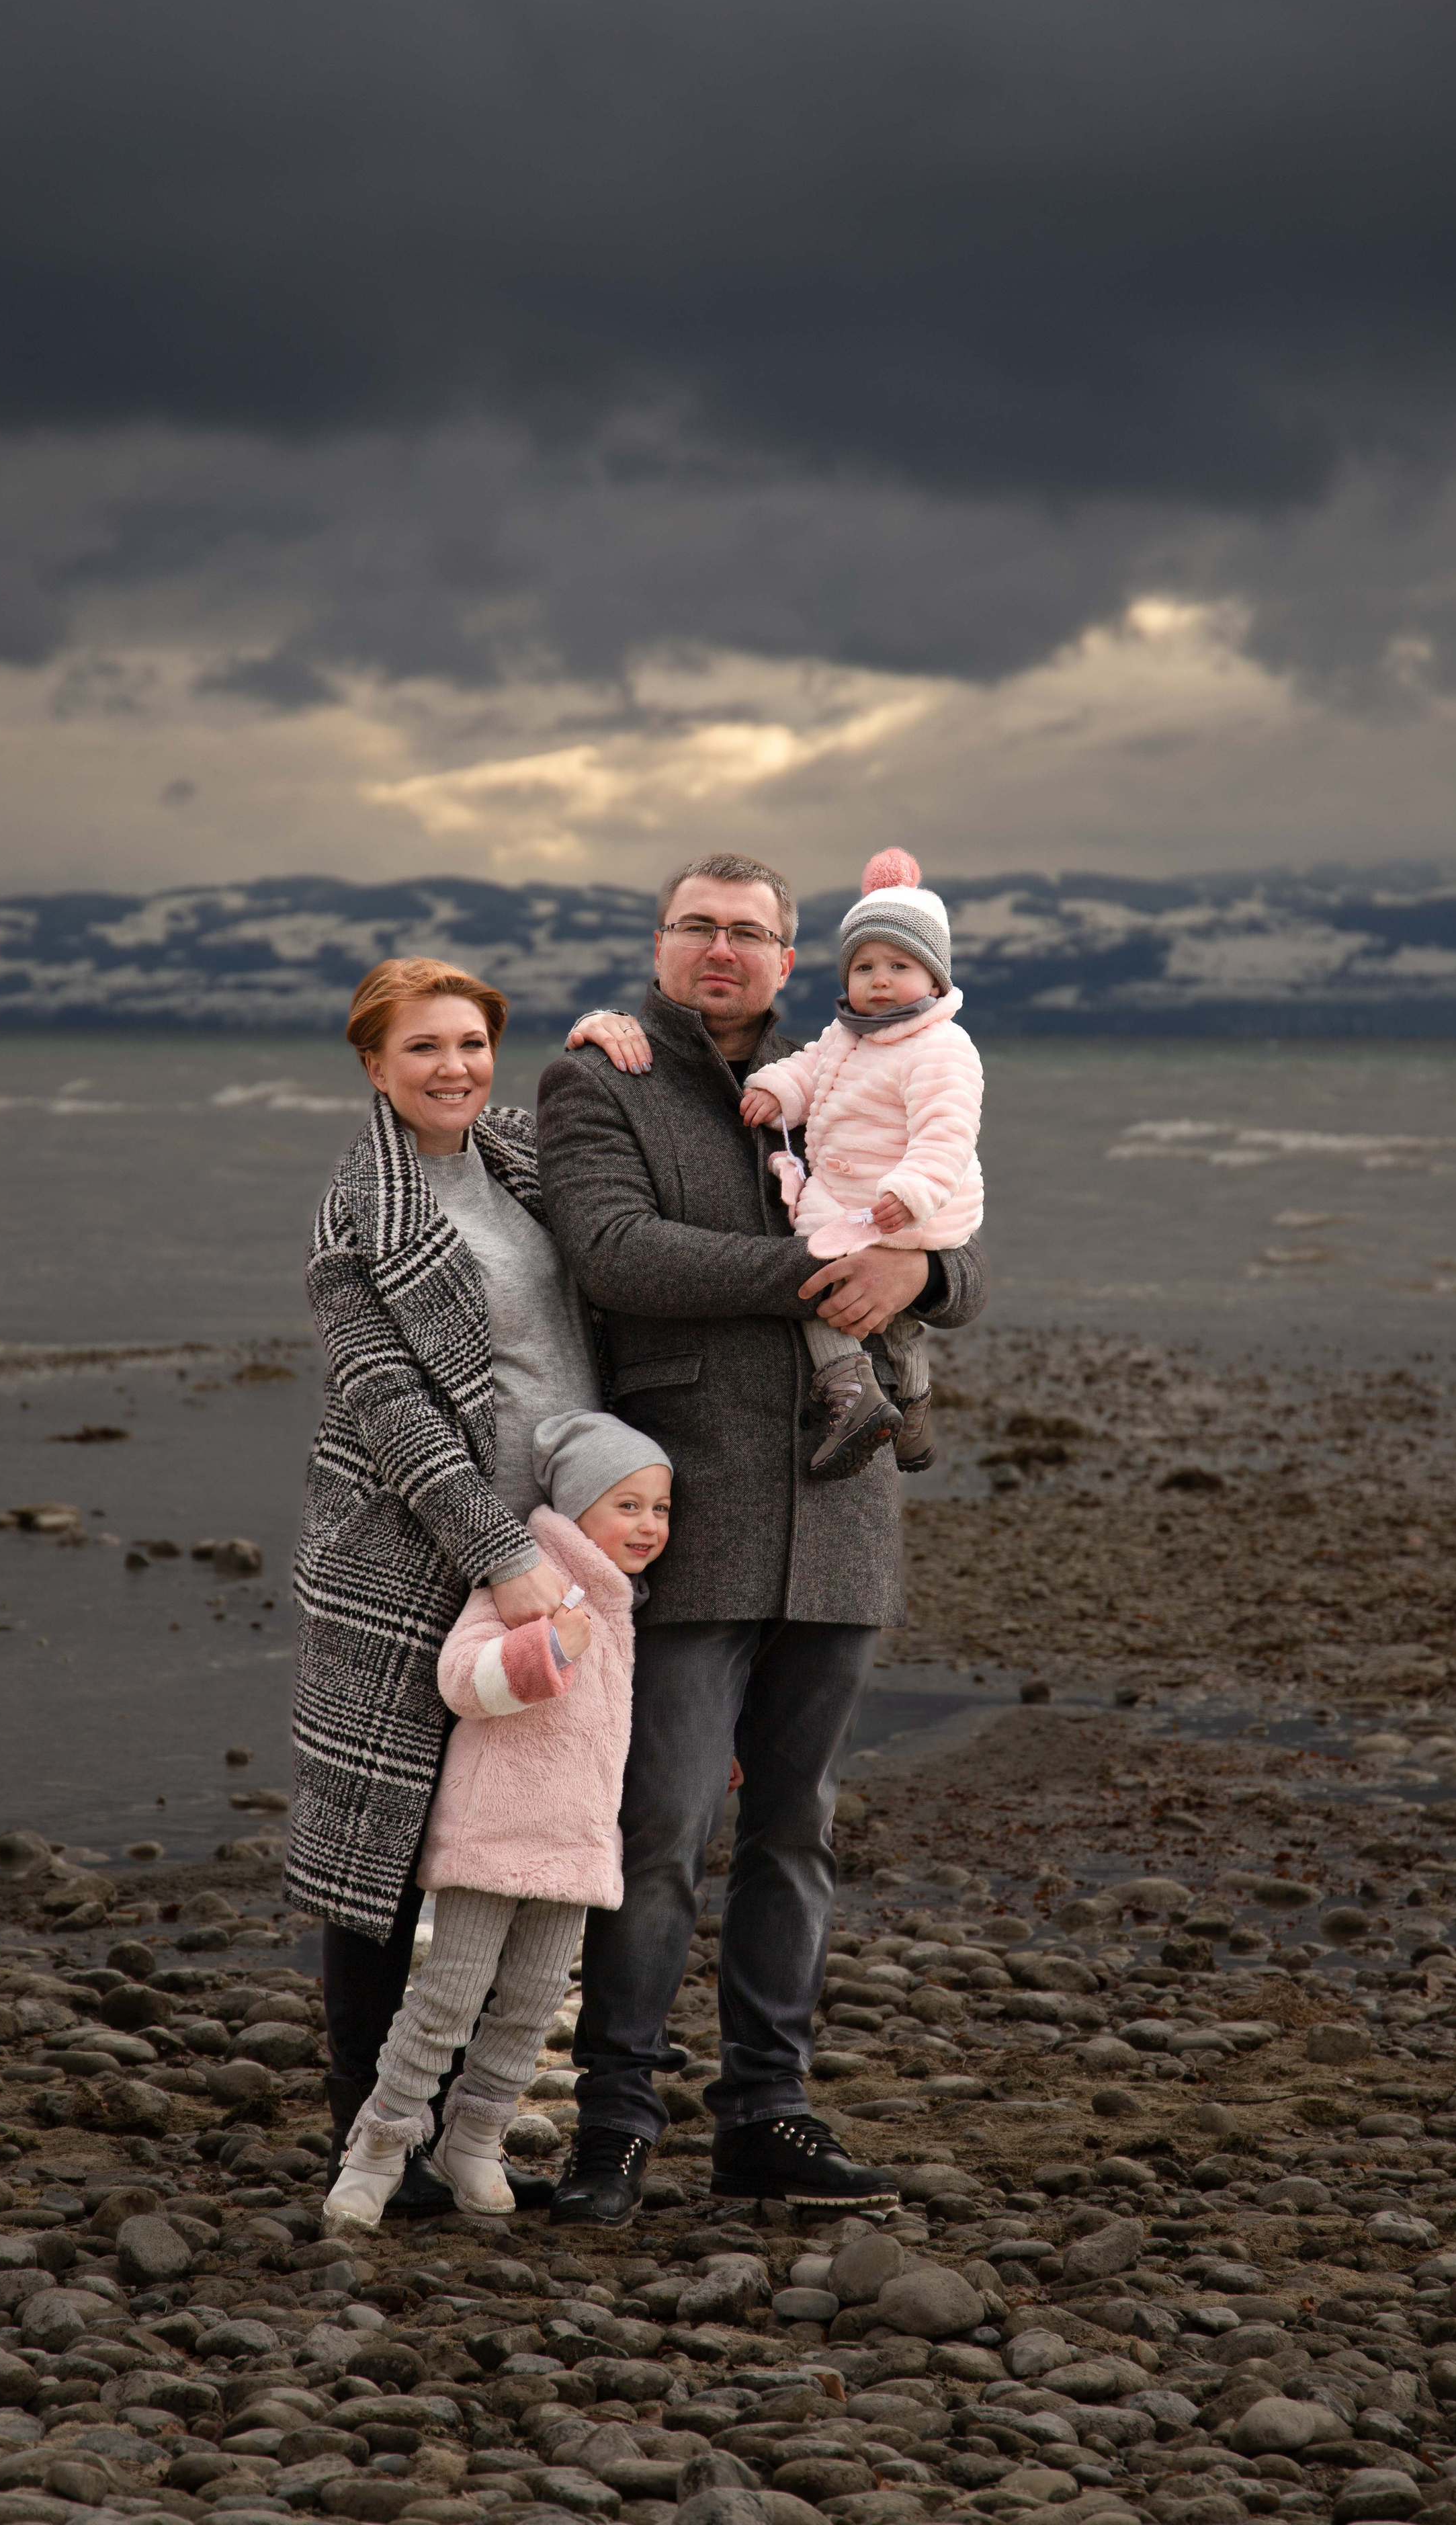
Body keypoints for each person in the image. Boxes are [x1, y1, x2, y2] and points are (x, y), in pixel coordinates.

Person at [538, 850, 986, 2223]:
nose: (721, 950)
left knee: (794, 1832)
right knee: (660, 1825)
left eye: (749, 932)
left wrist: (922, 1266)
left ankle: (763, 2114)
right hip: (676, 1512)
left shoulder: (861, 1054)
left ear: (789, 958)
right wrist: (824, 1269)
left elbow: (952, 1211)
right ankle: (610, 2124)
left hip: (842, 1512)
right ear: (659, 944)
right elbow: (615, 1252)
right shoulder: (595, 1079)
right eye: (696, 928)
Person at [284, 956, 642, 2215]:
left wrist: (605, 1041)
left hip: (556, 1538)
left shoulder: (519, 1157)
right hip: (406, 1554)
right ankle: (372, 2135)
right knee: (375, 1847)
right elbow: (390, 1410)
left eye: (473, 1045)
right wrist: (505, 1558)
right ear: (375, 1067)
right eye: (424, 1049)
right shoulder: (357, 1216)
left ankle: (469, 2126)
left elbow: (620, 1165)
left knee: (520, 1828)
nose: (454, 1068)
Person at [322, 1411, 671, 2235]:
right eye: (628, 1507)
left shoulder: (620, 1603)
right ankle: (376, 2150)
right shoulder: (528, 1582)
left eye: (660, 1509)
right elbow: (460, 1681)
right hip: (495, 1838)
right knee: (447, 1997)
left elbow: (616, 1719)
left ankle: (473, 2141)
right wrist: (549, 1647)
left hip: (577, 1844)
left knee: (533, 2004)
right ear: (578, 1506)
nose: (649, 1526)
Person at [741, 847, 984, 1481]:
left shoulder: (942, 1045)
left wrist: (915, 1190)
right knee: (884, 1315)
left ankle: (867, 1396)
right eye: (865, 966)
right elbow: (810, 1070)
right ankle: (900, 1408)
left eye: (899, 965)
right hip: (855, 1198)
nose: (879, 979)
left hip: (904, 1202)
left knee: (834, 1291)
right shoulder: (846, 1034)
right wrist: (776, 1090)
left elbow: (948, 1131)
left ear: (934, 980)